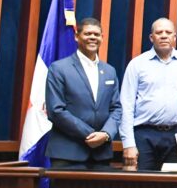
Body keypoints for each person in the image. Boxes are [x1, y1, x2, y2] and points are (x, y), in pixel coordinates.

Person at [120, 18, 177, 171]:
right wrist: (128, 144)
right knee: (141, 186)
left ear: (174, 37)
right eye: (159, 32)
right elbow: (126, 105)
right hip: (144, 135)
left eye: (168, 32)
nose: (164, 36)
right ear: (151, 37)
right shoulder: (137, 64)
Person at [44, 18, 121, 169]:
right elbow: (56, 110)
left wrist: (105, 134)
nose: (92, 37)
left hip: (101, 155)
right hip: (67, 154)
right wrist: (91, 134)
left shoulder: (110, 71)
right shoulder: (59, 68)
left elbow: (116, 108)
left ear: (102, 38)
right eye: (87, 34)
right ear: (76, 36)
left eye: (97, 34)